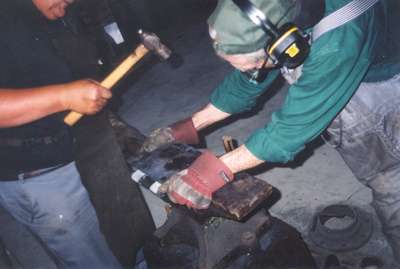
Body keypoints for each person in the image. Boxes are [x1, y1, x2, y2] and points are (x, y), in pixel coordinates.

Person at [141, 0, 400, 262]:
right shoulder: (272, 15)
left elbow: (289, 131)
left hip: (386, 86)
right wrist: (189, 126)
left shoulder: (338, 40)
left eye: (251, 65)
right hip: (338, 56)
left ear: (285, 44)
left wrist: (207, 175)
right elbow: (247, 83)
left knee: (391, 183)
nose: (248, 72)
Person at [0, 0, 123, 268]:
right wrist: (65, 96)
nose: (70, 3)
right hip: (39, 176)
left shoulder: (41, 15)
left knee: (124, 243)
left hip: (77, 152)